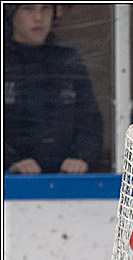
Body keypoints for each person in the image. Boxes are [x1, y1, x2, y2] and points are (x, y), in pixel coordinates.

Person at [4, 3, 102, 174]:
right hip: (11, 185)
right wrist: (11, 161)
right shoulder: (5, 61)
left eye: (45, 9)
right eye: (28, 8)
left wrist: (81, 156)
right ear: (11, 14)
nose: (38, 18)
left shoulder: (67, 59)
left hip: (65, 179)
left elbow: (90, 119)